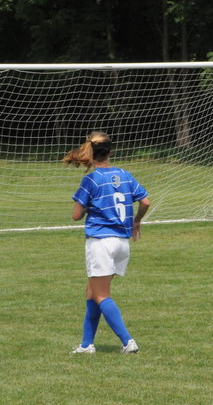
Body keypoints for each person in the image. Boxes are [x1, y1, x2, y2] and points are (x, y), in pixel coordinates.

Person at [63, 132, 150, 354]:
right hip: (122, 243)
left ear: (91, 153)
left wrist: (88, 205)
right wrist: (136, 221)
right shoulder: (125, 175)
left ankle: (128, 342)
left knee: (101, 295)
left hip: (101, 242)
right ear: (110, 151)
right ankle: (86, 345)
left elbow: (76, 215)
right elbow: (145, 202)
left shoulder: (91, 180)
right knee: (92, 292)